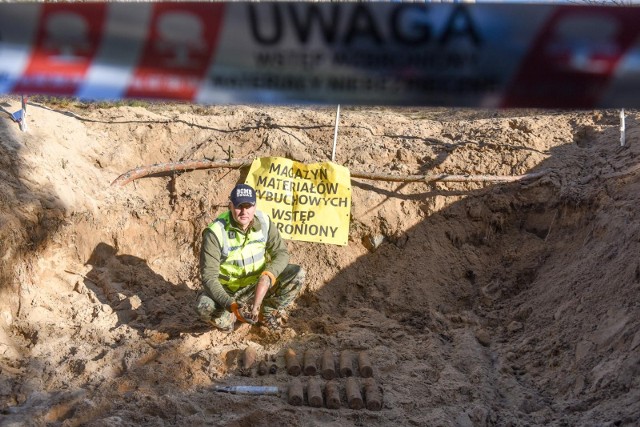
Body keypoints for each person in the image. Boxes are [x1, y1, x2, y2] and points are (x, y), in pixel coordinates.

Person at [196, 183, 305, 331]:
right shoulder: (215, 232)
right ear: (230, 206)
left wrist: (268, 275)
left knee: (296, 274)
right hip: (228, 289)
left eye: (248, 206)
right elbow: (209, 277)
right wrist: (231, 305)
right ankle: (228, 322)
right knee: (204, 306)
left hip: (256, 285)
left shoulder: (265, 222)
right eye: (239, 206)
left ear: (255, 206)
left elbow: (281, 253)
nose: (244, 212)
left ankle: (265, 313)